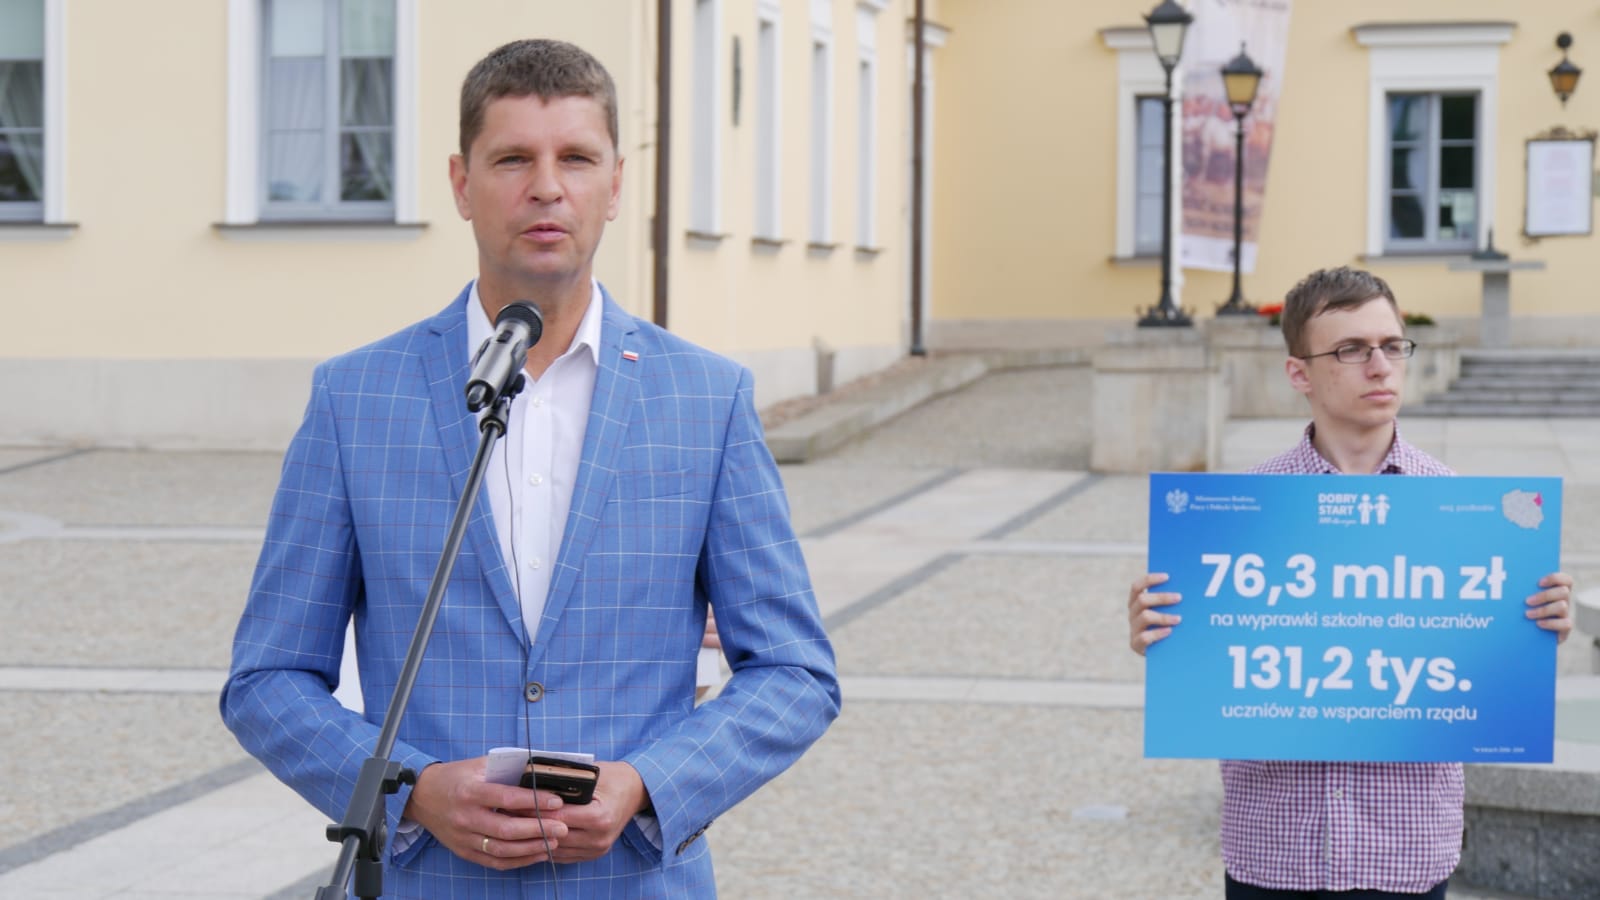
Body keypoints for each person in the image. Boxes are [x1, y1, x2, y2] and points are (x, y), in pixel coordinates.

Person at [221, 38, 839, 898]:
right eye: (513, 158)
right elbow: (267, 681)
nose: (547, 186)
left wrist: (649, 784)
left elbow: (794, 673)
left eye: (576, 158)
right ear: (460, 183)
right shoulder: (354, 399)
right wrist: (410, 789)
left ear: (615, 185)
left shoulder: (708, 399)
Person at [1127, 266, 1574, 899]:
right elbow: (1211, 671)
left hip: (1404, 847)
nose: (1380, 366)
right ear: (1299, 373)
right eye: (1351, 350)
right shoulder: (1235, 514)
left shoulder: (1469, 513)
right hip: (1275, 846)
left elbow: (1483, 674)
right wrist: (1163, 635)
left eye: (1392, 345)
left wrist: (1532, 630)